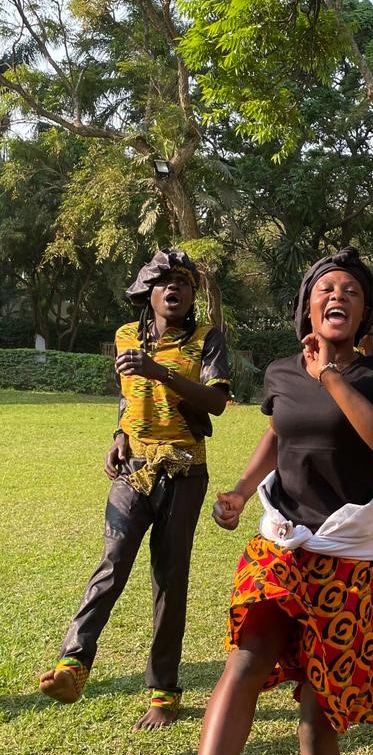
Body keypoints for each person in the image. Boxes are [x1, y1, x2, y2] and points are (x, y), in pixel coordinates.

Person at [156, 249, 373, 755]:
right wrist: (242, 489)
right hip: (279, 541)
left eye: (351, 291)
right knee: (246, 661)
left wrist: (332, 377)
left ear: (367, 313)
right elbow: (278, 435)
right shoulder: (282, 371)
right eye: (326, 288)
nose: (338, 297)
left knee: (316, 715)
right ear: (307, 305)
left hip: (345, 558)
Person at [39, 250, 230, 730]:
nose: (174, 289)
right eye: (164, 281)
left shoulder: (207, 339)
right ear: (148, 290)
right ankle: (73, 665)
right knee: (113, 561)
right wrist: (118, 434)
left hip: (184, 472)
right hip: (133, 469)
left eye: (183, 283)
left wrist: (160, 370)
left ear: (192, 296)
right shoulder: (128, 335)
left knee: (169, 578)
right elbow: (127, 394)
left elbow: (218, 403)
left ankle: (164, 693)